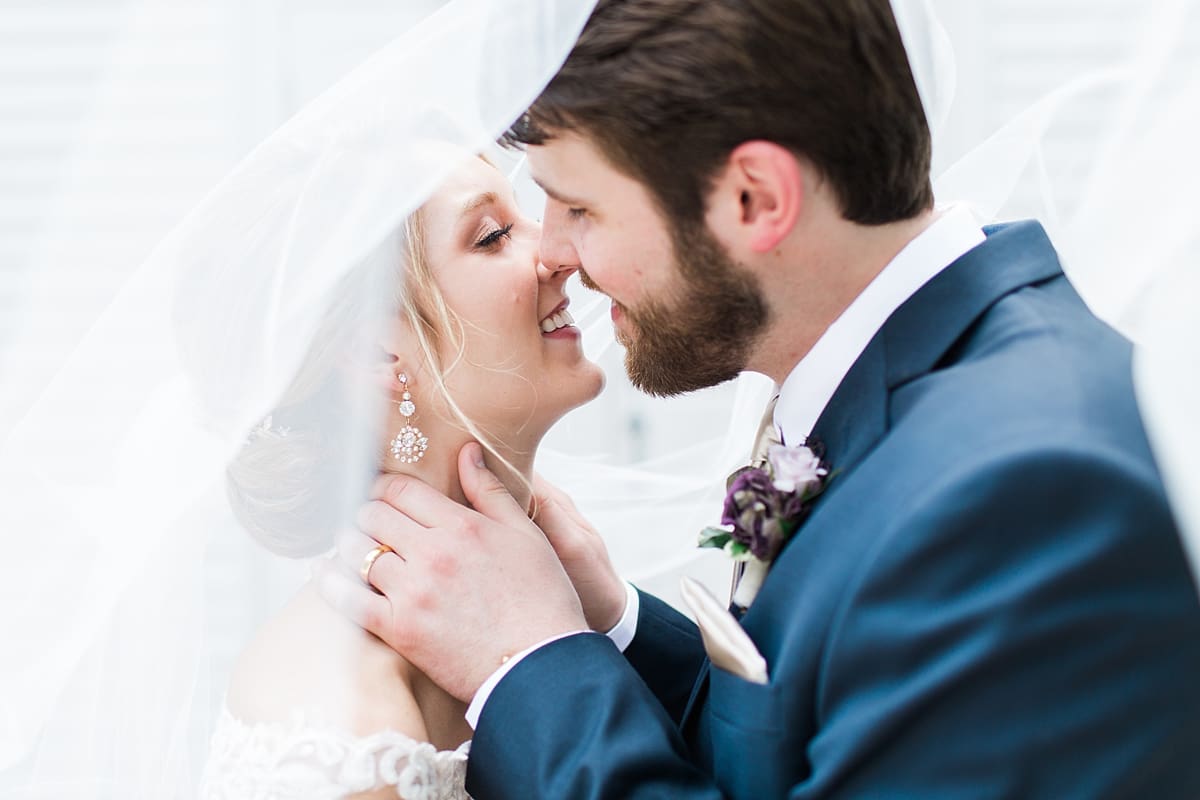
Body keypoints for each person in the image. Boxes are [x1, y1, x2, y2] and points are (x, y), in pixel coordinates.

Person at [320, 0, 1200, 797]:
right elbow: (821, 739)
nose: (560, 254)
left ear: (757, 198)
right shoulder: (913, 396)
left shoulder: (1022, 494)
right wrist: (612, 626)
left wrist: (529, 663)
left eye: (578, 208)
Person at [196, 151, 605, 797]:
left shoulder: (563, 595)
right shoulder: (347, 722)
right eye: (494, 235)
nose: (562, 252)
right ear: (376, 352)